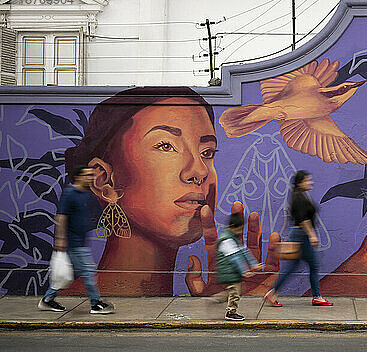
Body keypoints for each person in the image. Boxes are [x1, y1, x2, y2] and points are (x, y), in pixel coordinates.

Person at [62, 87, 278, 297]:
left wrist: (228, 301)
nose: (200, 171)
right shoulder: (72, 313)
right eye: (166, 146)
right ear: (105, 181)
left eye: (207, 152)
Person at [38, 165, 115, 314]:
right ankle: (95, 303)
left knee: (68, 274)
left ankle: (48, 299)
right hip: (72, 242)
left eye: (91, 176)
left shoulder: (84, 193)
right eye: (87, 175)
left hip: (79, 241)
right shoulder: (70, 193)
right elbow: (61, 217)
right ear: (79, 176)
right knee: (88, 271)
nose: (90, 178)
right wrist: (60, 240)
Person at [264, 170, 333, 307]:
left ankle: (273, 292)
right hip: (302, 235)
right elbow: (303, 219)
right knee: (313, 265)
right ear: (300, 183)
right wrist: (312, 234)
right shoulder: (299, 198)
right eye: (308, 180)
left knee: (293, 267)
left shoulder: (299, 196)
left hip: (299, 235)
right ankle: (317, 296)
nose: (310, 182)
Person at [216, 212, 263, 321]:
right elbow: (234, 257)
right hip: (228, 271)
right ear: (232, 227)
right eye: (239, 229)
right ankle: (231, 312)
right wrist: (243, 270)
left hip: (232, 270)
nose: (240, 231)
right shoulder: (227, 240)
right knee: (235, 292)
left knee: (235, 290)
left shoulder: (234, 238)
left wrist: (253, 264)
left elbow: (244, 251)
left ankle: (218, 298)